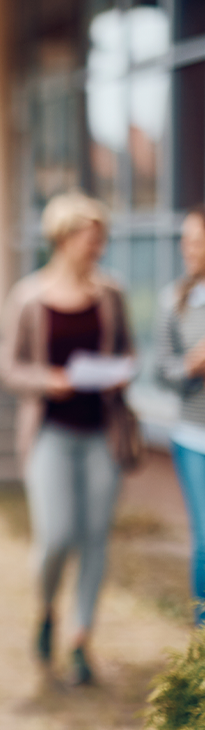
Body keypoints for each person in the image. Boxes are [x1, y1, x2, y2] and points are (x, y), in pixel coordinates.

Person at [0, 191, 135, 685]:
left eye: (101, 239)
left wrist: (118, 374)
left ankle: (80, 639)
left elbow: (127, 353)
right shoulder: (29, 297)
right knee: (56, 536)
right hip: (51, 431)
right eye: (89, 237)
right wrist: (49, 380)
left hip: (103, 432)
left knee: (95, 538)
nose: (97, 246)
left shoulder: (111, 294)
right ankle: (47, 608)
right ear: (65, 237)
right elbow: (8, 367)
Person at [153, 204, 205, 625]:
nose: (188, 248)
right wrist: (190, 365)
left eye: (196, 240)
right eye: (185, 240)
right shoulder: (174, 301)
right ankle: (202, 643)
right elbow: (161, 371)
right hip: (194, 438)